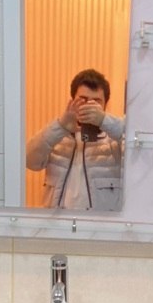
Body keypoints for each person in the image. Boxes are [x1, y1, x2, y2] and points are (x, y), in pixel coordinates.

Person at [26, 68, 125, 211]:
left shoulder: (113, 142)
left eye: (96, 102)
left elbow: (137, 149)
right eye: (83, 100)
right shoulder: (57, 137)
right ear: (72, 101)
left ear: (105, 105)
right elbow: (29, 161)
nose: (89, 106)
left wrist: (105, 121)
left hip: (98, 224)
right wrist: (61, 127)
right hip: (58, 223)